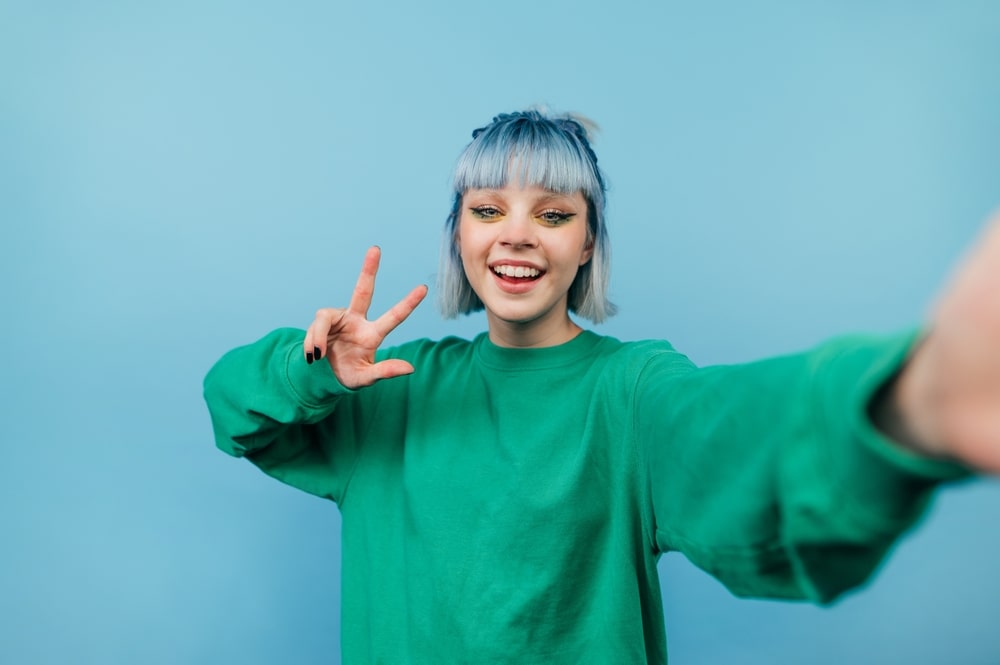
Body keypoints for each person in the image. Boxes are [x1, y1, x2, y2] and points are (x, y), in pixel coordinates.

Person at [204, 109, 996, 664]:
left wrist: (909, 400)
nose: (516, 232)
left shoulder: (633, 391)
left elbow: (726, 435)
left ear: (587, 243)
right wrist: (308, 371)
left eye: (552, 213)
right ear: (461, 236)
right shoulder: (388, 393)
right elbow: (232, 406)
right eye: (488, 209)